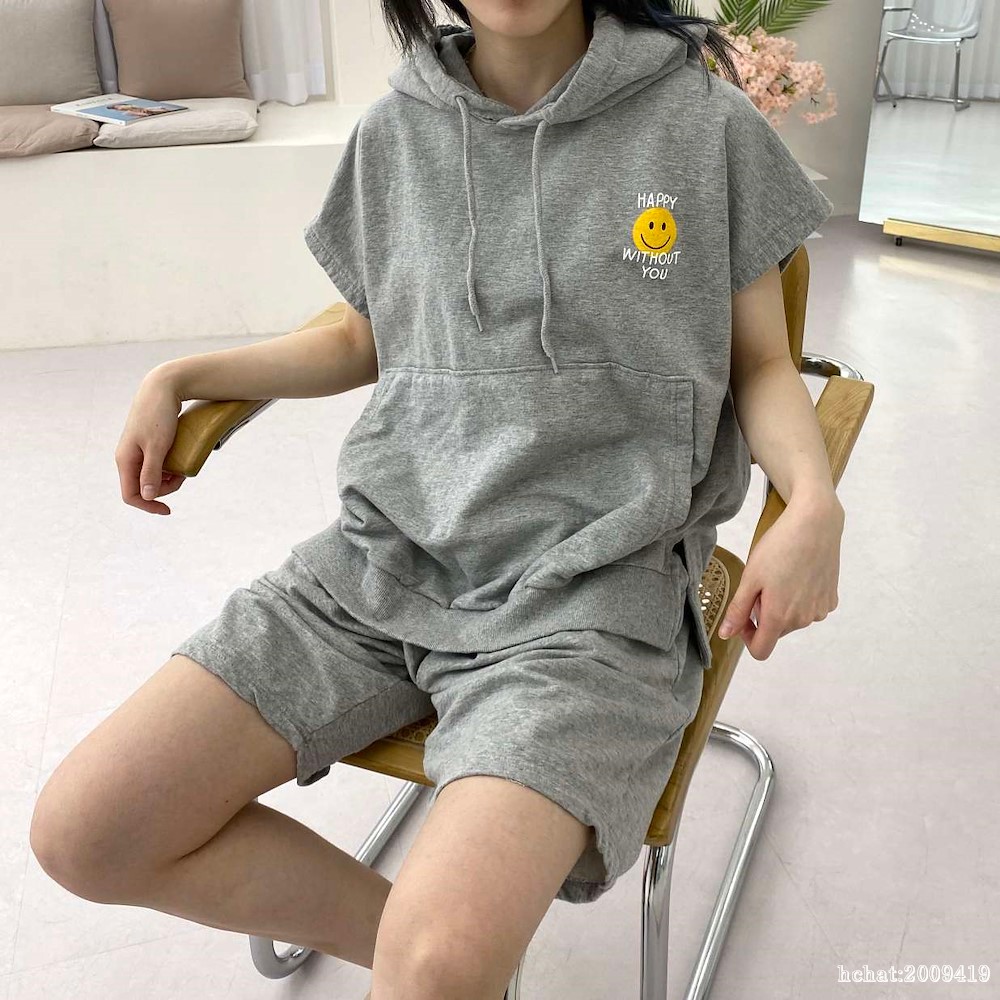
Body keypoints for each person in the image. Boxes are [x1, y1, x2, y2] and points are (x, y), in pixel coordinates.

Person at [29, 2, 844, 997]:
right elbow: (357, 336)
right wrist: (185, 372)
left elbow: (763, 363)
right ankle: (455, 963)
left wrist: (812, 502)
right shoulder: (396, 129)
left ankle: (450, 963)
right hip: (384, 558)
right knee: (88, 832)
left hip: (593, 590)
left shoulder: (701, 121)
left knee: (437, 966)